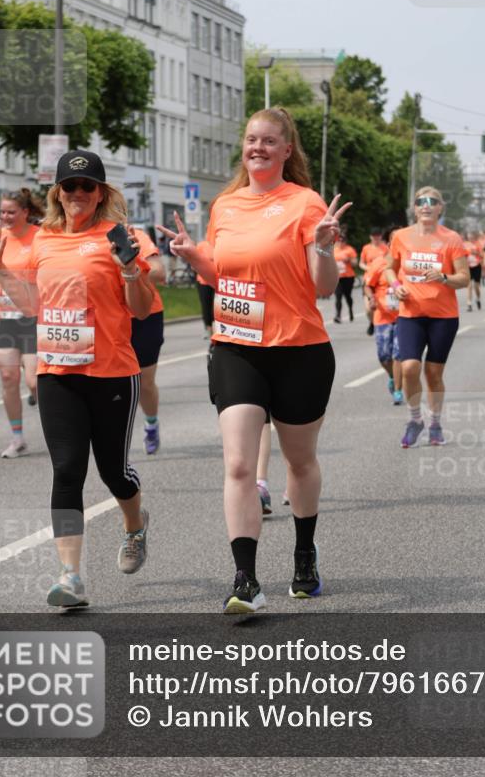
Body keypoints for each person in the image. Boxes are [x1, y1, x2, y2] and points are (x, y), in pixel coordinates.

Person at [158, 107, 350, 613]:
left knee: (300, 461)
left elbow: (323, 287)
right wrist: (193, 256)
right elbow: (224, 275)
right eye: (251, 140)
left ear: (288, 150)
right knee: (240, 464)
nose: (258, 148)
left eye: (269, 141)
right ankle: (245, 580)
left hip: (299, 349)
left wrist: (325, 247)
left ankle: (304, 555)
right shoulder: (224, 206)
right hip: (236, 346)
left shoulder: (305, 204)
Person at [0, 150, 154, 609]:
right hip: (58, 372)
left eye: (86, 187)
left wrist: (130, 268)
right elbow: (32, 304)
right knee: (67, 470)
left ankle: (135, 525)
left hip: (111, 371)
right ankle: (71, 575)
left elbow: (141, 306)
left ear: (101, 193)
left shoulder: (117, 237)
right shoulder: (45, 242)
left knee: (114, 472)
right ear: (57, 192)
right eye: (69, 187)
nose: (77, 194)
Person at [383, 186, 469, 448]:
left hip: (443, 316)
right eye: (421, 201)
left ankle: (435, 423)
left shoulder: (451, 239)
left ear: (440, 207)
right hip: (410, 314)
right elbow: (389, 268)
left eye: (433, 201)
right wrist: (396, 287)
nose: (426, 205)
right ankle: (414, 419)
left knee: (433, 374)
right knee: (409, 367)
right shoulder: (401, 236)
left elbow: (464, 278)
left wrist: (444, 277)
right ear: (415, 207)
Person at [0, 190, 43, 457]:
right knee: (8, 376)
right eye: (2, 212)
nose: (5, 217)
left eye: (11, 212)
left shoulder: (39, 237)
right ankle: (17, 438)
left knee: (34, 381)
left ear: (25, 212)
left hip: (31, 316)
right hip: (1, 317)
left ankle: (51, 417)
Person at [130, 227, 166, 454]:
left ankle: (151, 422)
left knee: (144, 382)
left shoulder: (135, 235)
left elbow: (159, 272)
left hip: (145, 315)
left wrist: (126, 267)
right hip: (108, 317)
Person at [364, 246, 403, 404]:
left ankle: (398, 390)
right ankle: (393, 376)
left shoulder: (408, 263)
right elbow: (368, 286)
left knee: (398, 354)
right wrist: (371, 299)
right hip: (383, 317)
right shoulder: (379, 264)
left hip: (404, 317)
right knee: (384, 356)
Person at [360, 227, 388, 334]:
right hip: (369, 280)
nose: (376, 238)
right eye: (373, 235)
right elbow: (361, 263)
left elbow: (389, 263)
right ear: (370, 237)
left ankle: (382, 324)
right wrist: (370, 268)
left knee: (382, 305)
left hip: (381, 279)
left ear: (381, 236)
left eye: (378, 235)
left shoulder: (385, 248)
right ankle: (372, 322)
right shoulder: (366, 248)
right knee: (368, 309)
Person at [333, 229, 358, 323]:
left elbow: (355, 263)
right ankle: (338, 315)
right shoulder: (333, 249)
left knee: (348, 296)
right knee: (338, 296)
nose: (340, 242)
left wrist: (349, 260)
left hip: (348, 277)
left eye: (342, 240)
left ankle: (351, 311)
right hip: (337, 277)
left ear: (345, 241)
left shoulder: (349, 250)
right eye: (338, 240)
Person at [463, 231, 483, 311]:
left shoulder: (478, 244)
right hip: (468, 267)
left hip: (477, 266)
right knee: (469, 286)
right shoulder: (464, 244)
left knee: (476, 286)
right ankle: (469, 304)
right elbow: (461, 255)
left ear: (474, 237)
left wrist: (476, 253)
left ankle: (478, 299)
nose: (470, 238)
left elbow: (482, 255)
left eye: (472, 237)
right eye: (469, 237)